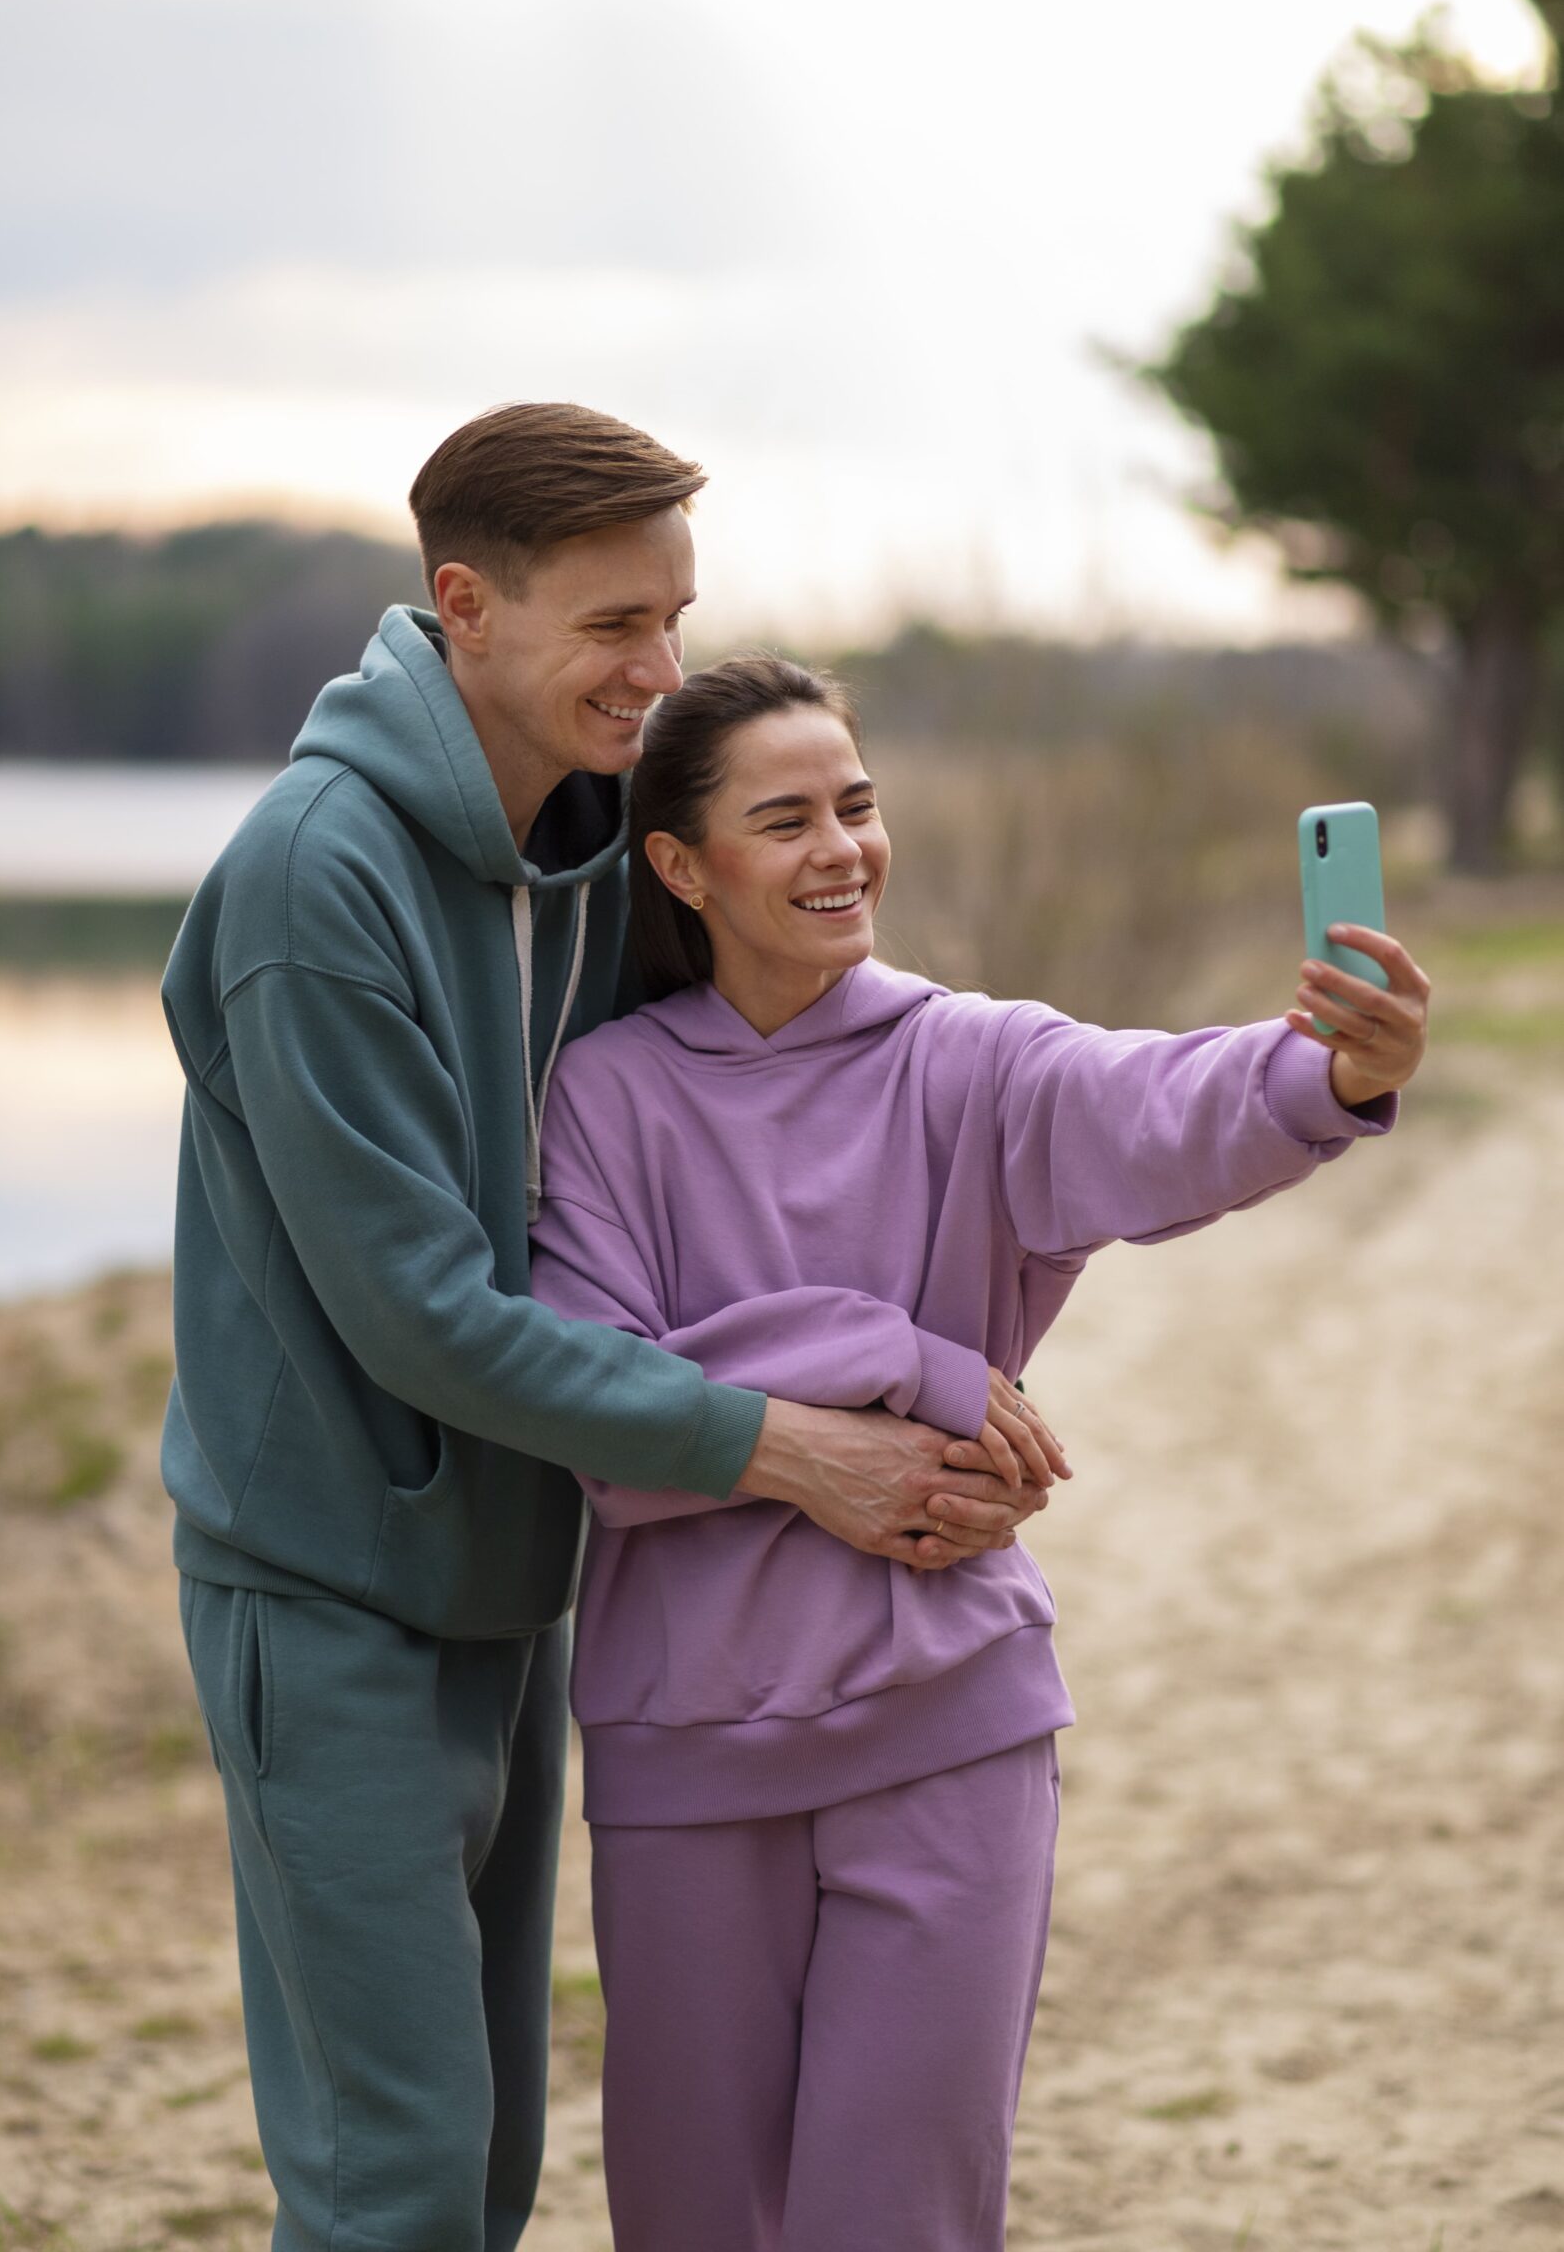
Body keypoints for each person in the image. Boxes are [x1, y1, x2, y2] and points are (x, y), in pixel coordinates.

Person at [159, 406, 1030, 2252]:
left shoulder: (592, 838)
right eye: (614, 626)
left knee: (481, 2174)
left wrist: (939, 1378)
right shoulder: (314, 879)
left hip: (522, 1576)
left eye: (675, 618)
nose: (659, 671)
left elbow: (745, 1142)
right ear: (464, 606)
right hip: (327, 1588)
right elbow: (419, 1318)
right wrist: (788, 1450)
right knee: (394, 2186)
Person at [528, 652, 1430, 2252]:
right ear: (680, 864)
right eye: (784, 820)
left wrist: (1333, 1068)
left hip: (947, 1721)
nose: (841, 850)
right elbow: (600, 1410)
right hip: (686, 1744)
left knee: (904, 2221)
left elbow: (1158, 1100)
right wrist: (899, 1354)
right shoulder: (601, 1099)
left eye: (857, 806)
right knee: (693, 2219)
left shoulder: (973, 1059)